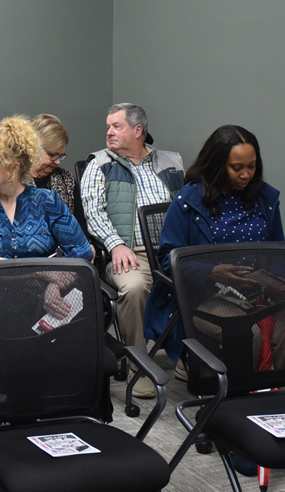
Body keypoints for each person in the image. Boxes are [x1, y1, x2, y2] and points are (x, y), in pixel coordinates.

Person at [143, 125, 285, 374]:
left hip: (259, 292)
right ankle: (241, 393)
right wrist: (211, 273)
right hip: (207, 295)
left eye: (251, 166)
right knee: (245, 333)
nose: (246, 175)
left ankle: (282, 392)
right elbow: (168, 259)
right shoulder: (188, 201)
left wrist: (278, 280)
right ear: (217, 165)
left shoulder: (265, 199)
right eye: (236, 168)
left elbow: (279, 250)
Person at [81, 103, 184, 398]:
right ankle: (140, 366)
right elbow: (94, 213)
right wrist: (116, 244)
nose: (109, 132)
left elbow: (186, 207)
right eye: (108, 127)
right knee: (135, 288)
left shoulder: (171, 162)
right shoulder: (100, 164)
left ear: (138, 130)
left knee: (196, 284)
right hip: (129, 253)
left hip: (170, 252)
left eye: (117, 126)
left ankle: (187, 356)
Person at [0, 116, 93, 263]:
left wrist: (56, 275)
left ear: (12, 167)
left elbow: (82, 252)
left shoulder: (48, 201)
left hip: (50, 278)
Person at [26, 114, 77, 211]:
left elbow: (78, 219)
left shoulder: (67, 179)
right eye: (53, 155)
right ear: (34, 148)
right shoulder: (13, 181)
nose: (58, 162)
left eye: (61, 156)